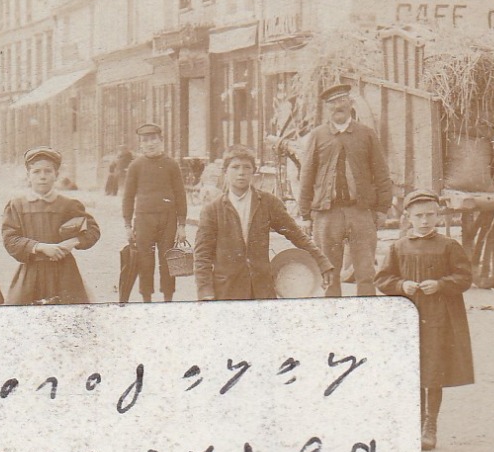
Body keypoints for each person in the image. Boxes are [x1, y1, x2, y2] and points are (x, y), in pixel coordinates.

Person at [377, 189, 474, 452]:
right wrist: (402, 284)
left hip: (440, 317)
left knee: (433, 371)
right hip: (409, 317)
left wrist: (441, 284)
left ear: (439, 216)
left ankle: (430, 424)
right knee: (413, 371)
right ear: (407, 217)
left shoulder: (449, 246)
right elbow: (383, 280)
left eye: (430, 215)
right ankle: (416, 421)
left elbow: (465, 277)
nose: (425, 221)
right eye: (419, 216)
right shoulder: (398, 247)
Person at [194, 144, 333, 300]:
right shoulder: (212, 210)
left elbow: (297, 235)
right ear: (225, 172)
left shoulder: (268, 203)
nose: (241, 173)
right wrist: (205, 291)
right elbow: (202, 256)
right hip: (227, 291)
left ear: (253, 172)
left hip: (261, 290)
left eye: (247, 167)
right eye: (235, 167)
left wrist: (322, 261)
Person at [299, 84, 392, 297]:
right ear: (326, 109)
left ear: (350, 104)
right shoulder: (317, 136)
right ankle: (335, 319)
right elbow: (306, 176)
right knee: (329, 273)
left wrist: (382, 209)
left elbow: (381, 173)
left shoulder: (366, 134)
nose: (337, 107)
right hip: (327, 214)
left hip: (359, 212)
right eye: (332, 104)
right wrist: (305, 214)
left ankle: (366, 319)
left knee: (366, 272)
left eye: (342, 101)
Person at [2, 147, 101, 305]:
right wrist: (40, 247)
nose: (42, 177)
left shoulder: (69, 205)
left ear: (57, 175)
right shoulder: (17, 205)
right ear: (28, 176)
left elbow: (92, 231)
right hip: (31, 272)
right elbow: (10, 240)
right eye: (36, 172)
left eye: (48, 171)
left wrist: (71, 242)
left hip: (64, 272)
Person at [121, 123, 187, 303]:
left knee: (168, 261)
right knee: (145, 261)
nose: (150, 144)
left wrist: (181, 225)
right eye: (145, 140)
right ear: (140, 144)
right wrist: (127, 224)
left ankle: (168, 299)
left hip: (168, 220)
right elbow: (128, 196)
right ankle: (147, 301)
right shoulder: (136, 166)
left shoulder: (171, 164)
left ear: (161, 140)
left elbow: (180, 195)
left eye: (153, 139)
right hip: (143, 220)